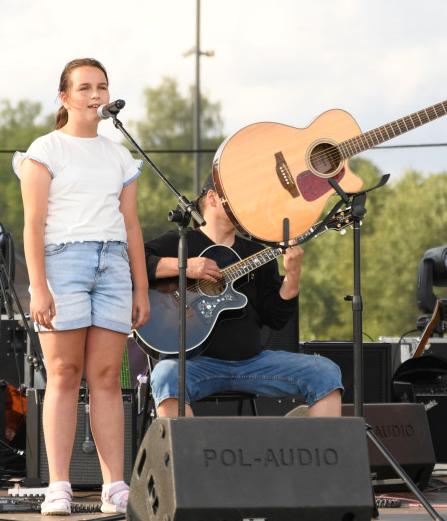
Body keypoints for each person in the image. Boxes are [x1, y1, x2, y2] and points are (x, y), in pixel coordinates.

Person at [13, 57, 150, 516]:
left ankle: (115, 485)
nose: (96, 95)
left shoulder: (120, 156)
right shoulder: (45, 149)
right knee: (64, 374)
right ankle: (59, 485)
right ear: (65, 97)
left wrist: (141, 288)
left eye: (102, 87)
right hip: (62, 262)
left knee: (109, 377)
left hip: (113, 265)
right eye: (86, 87)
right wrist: (38, 287)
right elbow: (32, 225)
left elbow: (132, 227)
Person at [143, 175, 343, 417]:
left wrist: (292, 276)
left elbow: (276, 319)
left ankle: (318, 452)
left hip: (253, 363)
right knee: (165, 374)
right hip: (194, 366)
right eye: (238, 199)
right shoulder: (180, 241)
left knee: (325, 371)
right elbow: (132, 263)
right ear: (213, 198)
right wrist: (185, 266)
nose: (246, 207)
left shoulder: (257, 253)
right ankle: (186, 452)